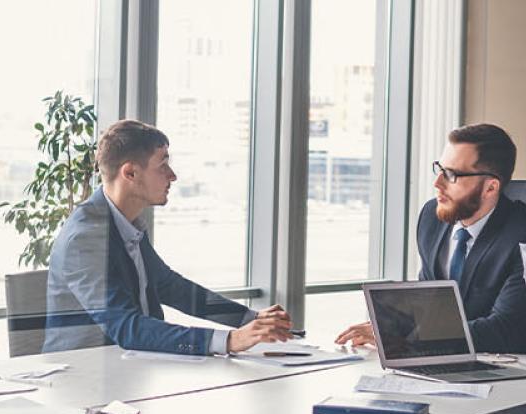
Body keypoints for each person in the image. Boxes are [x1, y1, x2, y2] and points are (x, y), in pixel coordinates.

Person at [43, 119, 293, 355]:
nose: (172, 175)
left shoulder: (127, 223)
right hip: (83, 381)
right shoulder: (84, 237)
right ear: (130, 173)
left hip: (128, 369)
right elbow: (126, 327)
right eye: (162, 165)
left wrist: (250, 319)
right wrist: (229, 340)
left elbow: (169, 286)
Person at [336, 123, 526, 353]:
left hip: (508, 374)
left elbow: (505, 330)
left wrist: (404, 337)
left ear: (490, 187)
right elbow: (432, 305)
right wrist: (387, 326)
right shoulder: (431, 218)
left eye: (452, 175)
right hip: (441, 362)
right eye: (440, 169)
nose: (437, 183)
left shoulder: (520, 234)